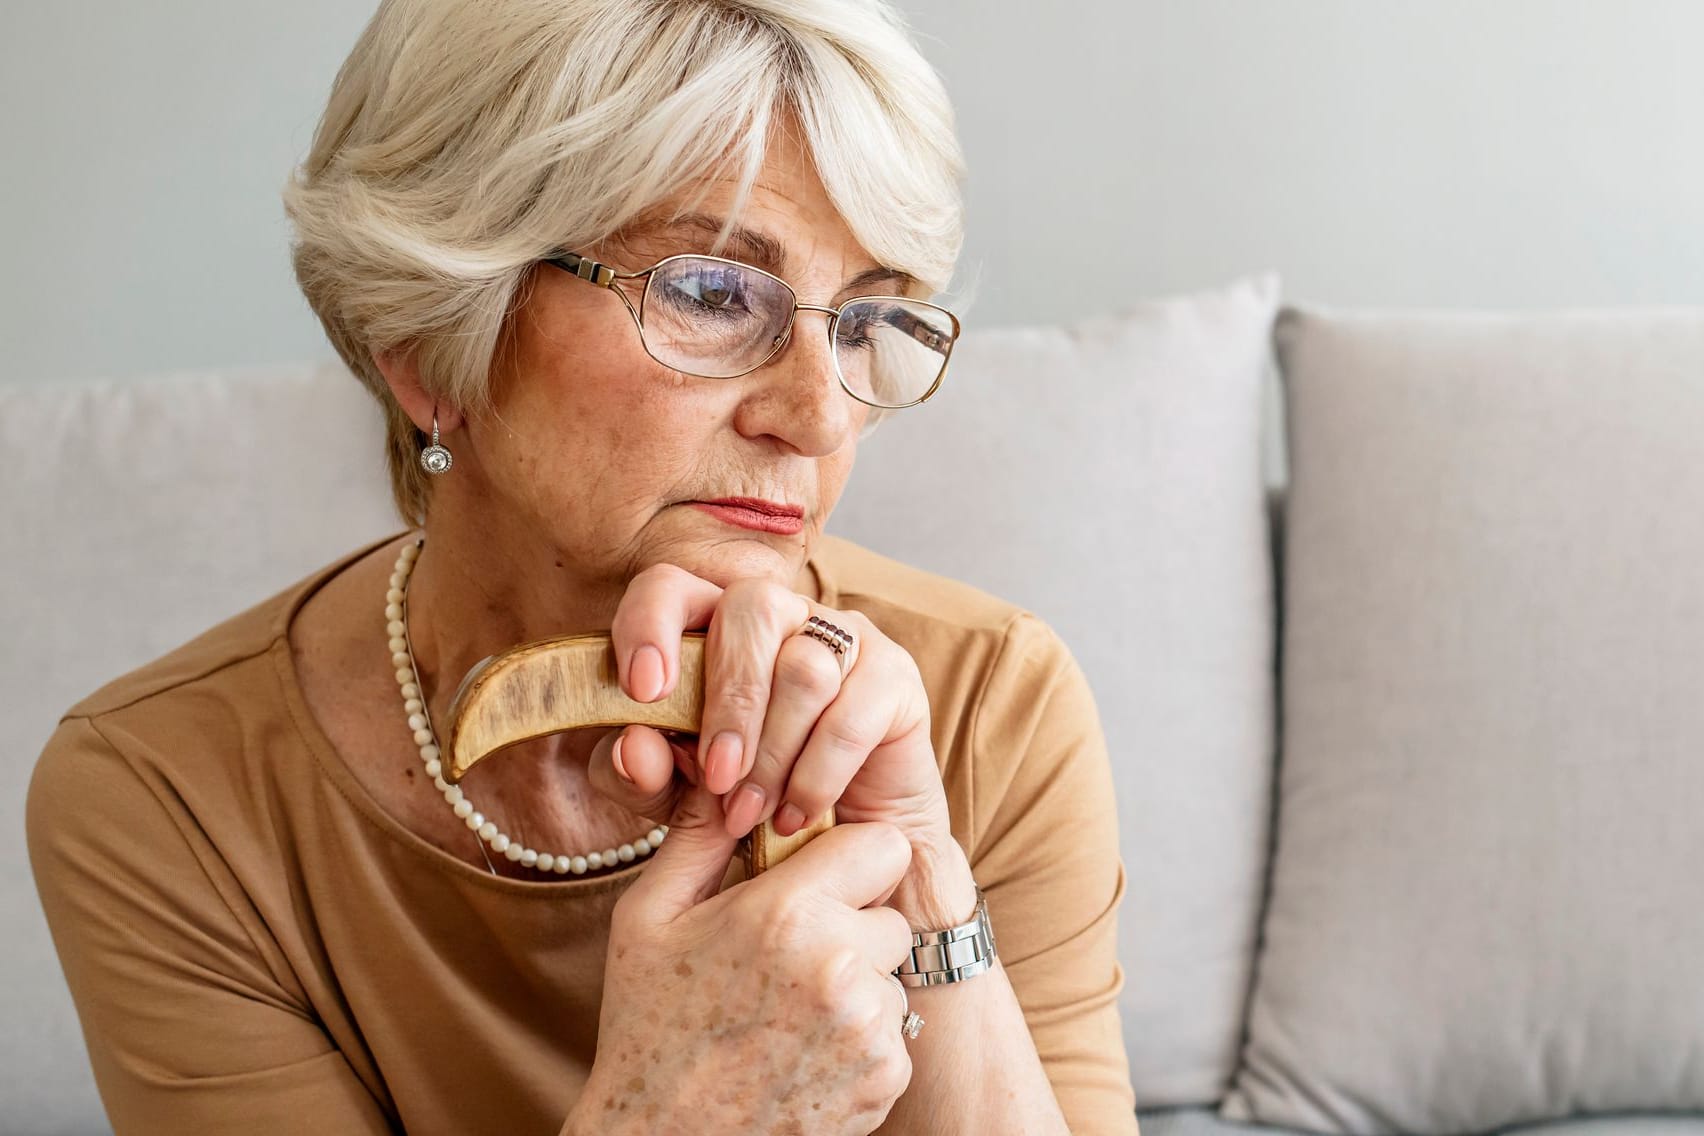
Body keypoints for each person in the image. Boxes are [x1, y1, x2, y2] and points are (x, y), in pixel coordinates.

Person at [25, 1, 1137, 1133]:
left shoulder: (993, 701)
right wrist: (674, 1111)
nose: (819, 418)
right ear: (429, 344)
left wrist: (921, 884)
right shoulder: (163, 795)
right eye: (711, 291)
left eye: (860, 322)